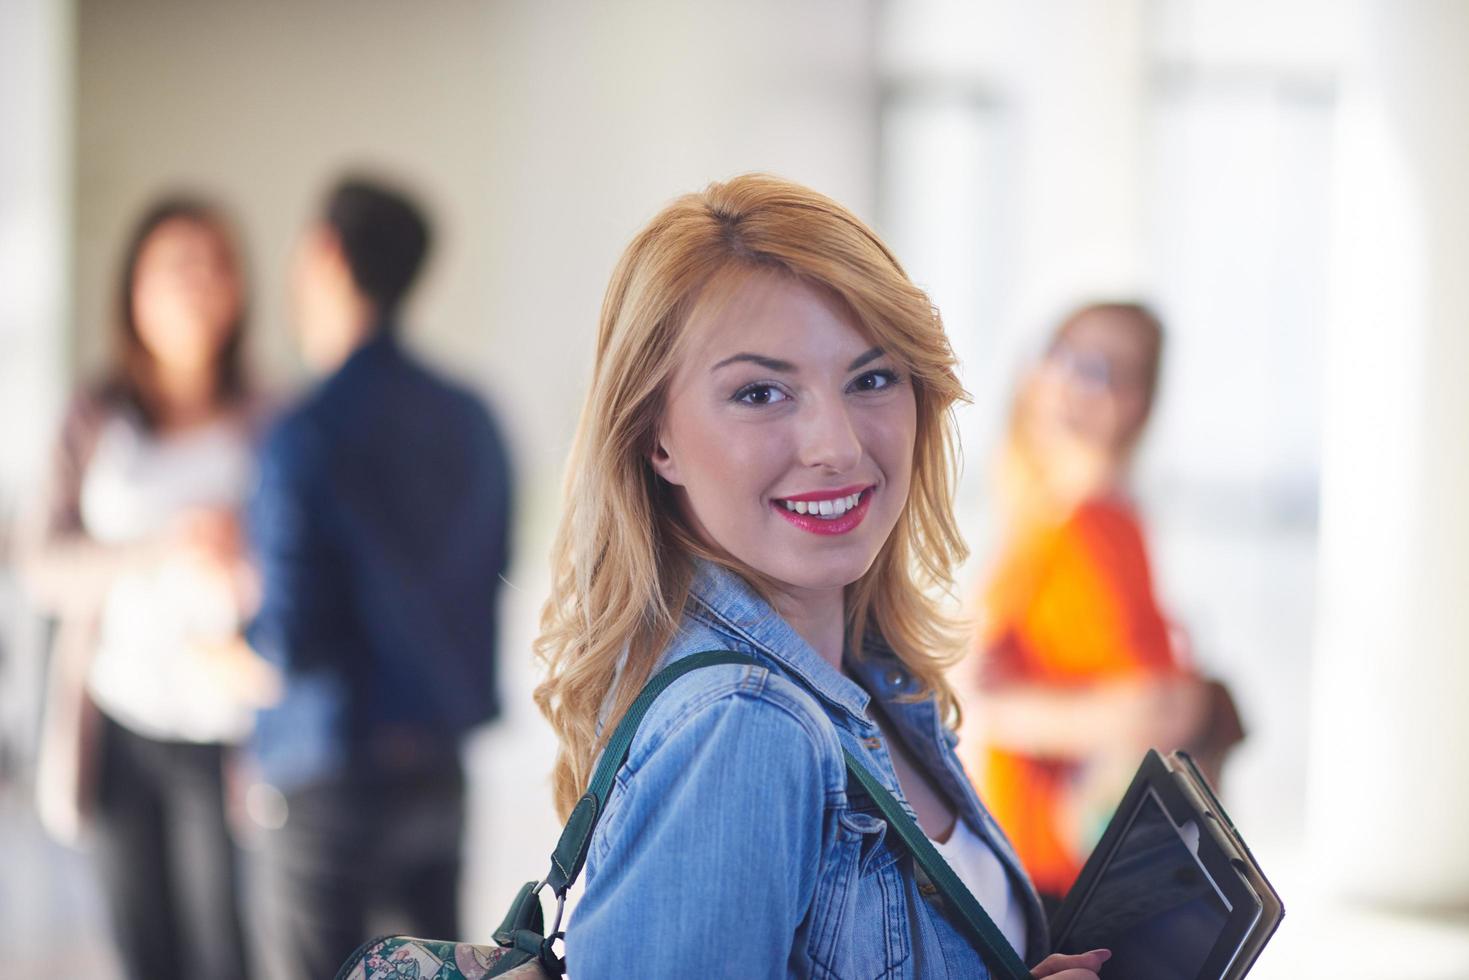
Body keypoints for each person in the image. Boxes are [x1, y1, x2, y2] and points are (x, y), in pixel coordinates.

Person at [532, 173, 1108, 979]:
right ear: (656, 437)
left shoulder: (867, 672)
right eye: (760, 392)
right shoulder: (746, 724)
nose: (834, 445)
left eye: (871, 379)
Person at [245, 176, 514, 980]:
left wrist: (208, 642)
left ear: (325, 255)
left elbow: (287, 641)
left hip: (327, 774)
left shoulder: (304, 430)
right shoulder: (473, 416)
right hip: (439, 765)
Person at [18, 196, 271, 980]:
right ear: (133, 290)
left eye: (212, 266)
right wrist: (158, 545)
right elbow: (39, 567)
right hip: (118, 724)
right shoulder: (93, 416)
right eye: (173, 267)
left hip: (226, 736)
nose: (195, 285)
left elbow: (305, 572)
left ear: (237, 289)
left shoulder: (272, 416)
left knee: (224, 954)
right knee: (139, 952)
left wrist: (243, 552)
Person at [968, 302, 1207, 910]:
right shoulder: (1048, 512)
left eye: (1104, 370)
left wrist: (991, 710)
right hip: (1033, 865)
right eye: (1064, 353)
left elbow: (1161, 708)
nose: (1073, 380)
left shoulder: (1093, 524)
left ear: (1137, 406)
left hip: (1061, 881)